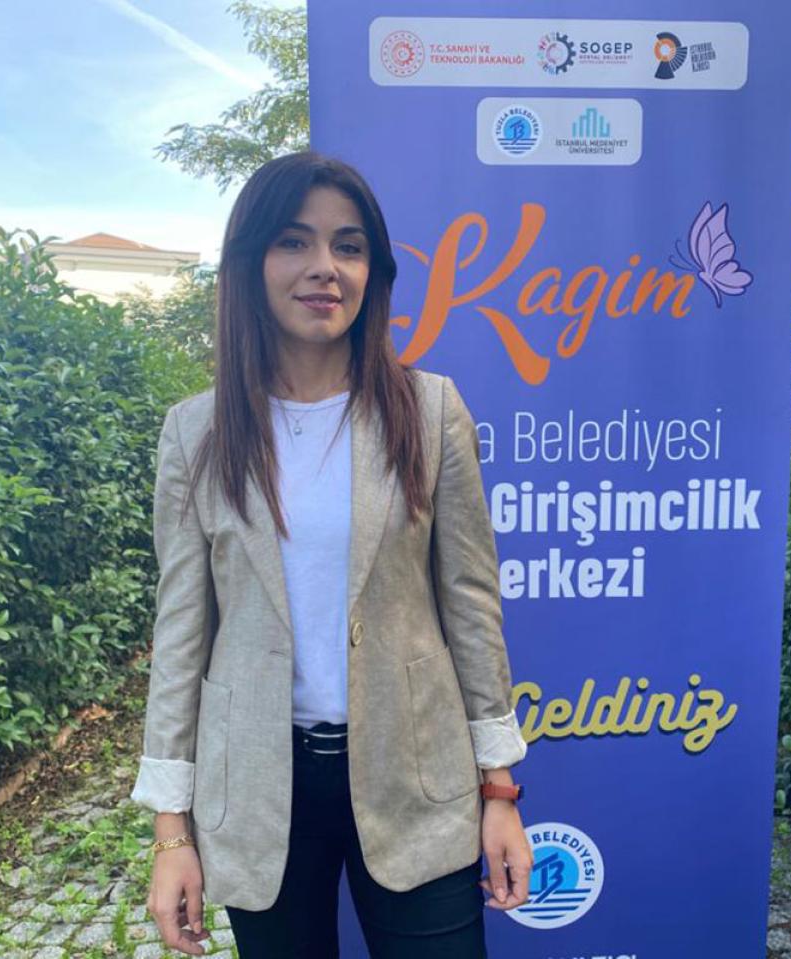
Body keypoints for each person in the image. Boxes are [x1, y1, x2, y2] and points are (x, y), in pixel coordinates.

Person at [129, 150, 532, 958]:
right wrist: (172, 830)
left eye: (348, 246)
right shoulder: (196, 432)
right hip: (258, 783)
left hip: (414, 773)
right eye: (294, 241)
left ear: (372, 271)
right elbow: (180, 634)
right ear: (251, 264)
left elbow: (470, 602)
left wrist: (499, 787)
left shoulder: (429, 411)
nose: (325, 267)